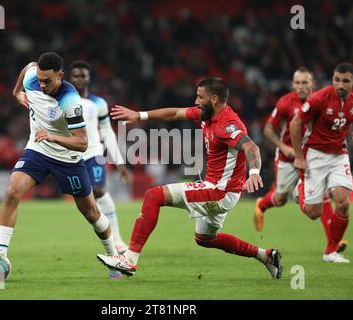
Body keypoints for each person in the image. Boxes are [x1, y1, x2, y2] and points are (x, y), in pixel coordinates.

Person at [97, 77, 283, 279]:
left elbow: (251, 147)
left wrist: (254, 172)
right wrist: (139, 115)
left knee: (154, 196)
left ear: (214, 99)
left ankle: (129, 260)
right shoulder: (207, 114)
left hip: (219, 191)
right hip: (221, 190)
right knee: (205, 238)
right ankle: (266, 256)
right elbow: (174, 113)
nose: (195, 101)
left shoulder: (227, 124)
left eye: (199, 97)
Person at [0, 52, 120, 279]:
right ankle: (0, 255)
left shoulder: (70, 101)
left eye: (48, 80)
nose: (42, 84)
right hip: (38, 150)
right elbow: (28, 66)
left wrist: (53, 137)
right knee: (12, 191)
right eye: (40, 79)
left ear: (60, 76)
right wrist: (17, 92)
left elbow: (82, 143)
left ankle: (114, 258)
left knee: (91, 212)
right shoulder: (31, 78)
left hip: (68, 159)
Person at [290, 63, 353, 263]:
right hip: (314, 154)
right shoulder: (319, 98)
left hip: (339, 155)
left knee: (343, 203)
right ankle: (300, 189)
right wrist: (299, 156)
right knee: (313, 213)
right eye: (336, 80)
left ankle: (330, 252)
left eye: (345, 81)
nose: (340, 85)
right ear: (333, 79)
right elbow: (295, 123)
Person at [69, 60, 131, 254]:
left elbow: (107, 132)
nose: (80, 78)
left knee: (99, 190)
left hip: (94, 153)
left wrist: (119, 162)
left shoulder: (99, 103)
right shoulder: (63, 100)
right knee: (86, 202)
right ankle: (107, 238)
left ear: (88, 78)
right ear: (70, 78)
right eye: (76, 75)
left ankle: (118, 239)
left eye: (83, 75)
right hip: (71, 155)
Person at [253, 67, 314, 231]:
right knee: (280, 199)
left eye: (304, 83)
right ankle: (261, 204)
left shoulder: (319, 101)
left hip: (311, 157)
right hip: (288, 158)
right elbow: (268, 129)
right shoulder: (285, 102)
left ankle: (334, 243)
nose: (300, 86)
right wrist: (283, 147)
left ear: (312, 84)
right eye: (297, 83)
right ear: (293, 84)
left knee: (315, 194)